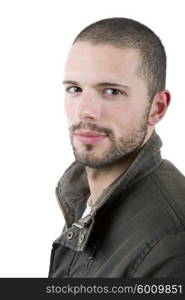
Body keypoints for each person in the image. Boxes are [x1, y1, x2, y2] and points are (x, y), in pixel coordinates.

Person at [48, 17, 185, 278]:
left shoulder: (172, 242)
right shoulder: (86, 202)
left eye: (111, 91)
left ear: (157, 108)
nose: (85, 111)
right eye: (75, 89)